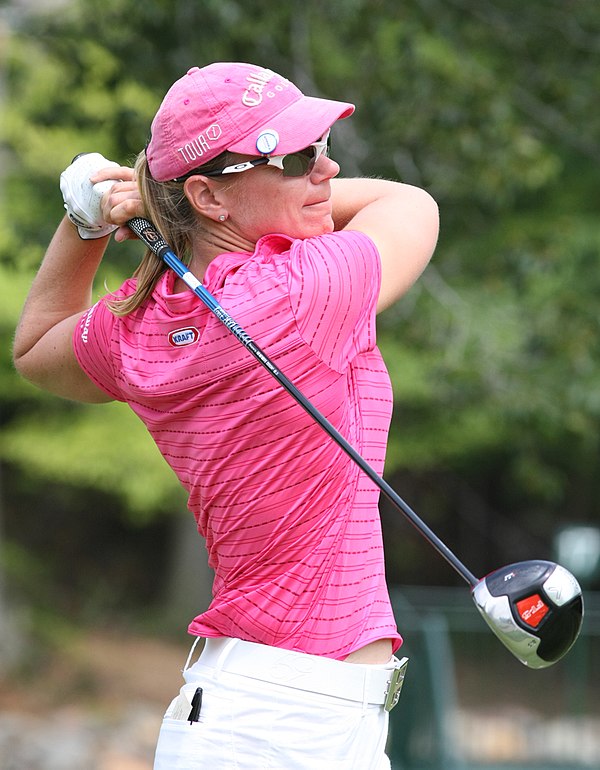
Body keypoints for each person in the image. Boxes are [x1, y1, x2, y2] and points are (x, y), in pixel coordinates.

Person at [13, 62, 439, 769]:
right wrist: (154, 206)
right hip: (286, 721)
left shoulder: (137, 326)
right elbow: (410, 203)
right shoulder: (304, 291)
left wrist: (87, 222)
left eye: (325, 149)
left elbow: (32, 347)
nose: (326, 171)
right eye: (297, 158)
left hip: (259, 711)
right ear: (209, 196)